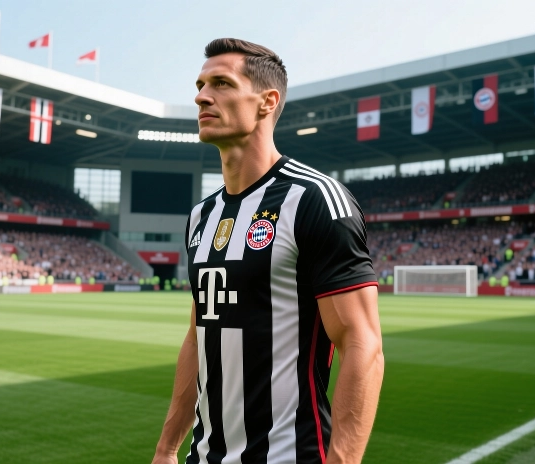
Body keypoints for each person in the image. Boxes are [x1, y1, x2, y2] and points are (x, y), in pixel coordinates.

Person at [152, 39, 383, 464]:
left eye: (222, 83)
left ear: (267, 102)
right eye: (201, 85)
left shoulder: (315, 199)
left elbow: (361, 343)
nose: (201, 96)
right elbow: (198, 337)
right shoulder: (201, 216)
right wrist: (167, 449)